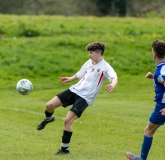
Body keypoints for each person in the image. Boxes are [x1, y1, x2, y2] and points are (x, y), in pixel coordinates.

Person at [37, 42, 118, 155]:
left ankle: (65, 150)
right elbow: (80, 73)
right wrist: (70, 79)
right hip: (74, 90)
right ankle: (48, 119)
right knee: (49, 105)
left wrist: (112, 85)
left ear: (98, 53)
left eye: (91, 53)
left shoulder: (105, 67)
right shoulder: (89, 62)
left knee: (67, 121)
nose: (89, 55)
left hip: (85, 97)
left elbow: (114, 77)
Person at [126, 39, 165, 160]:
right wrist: (154, 77)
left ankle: (142, 159)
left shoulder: (160, 71)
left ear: (154, 54)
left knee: (148, 130)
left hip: (162, 106)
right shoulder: (161, 70)